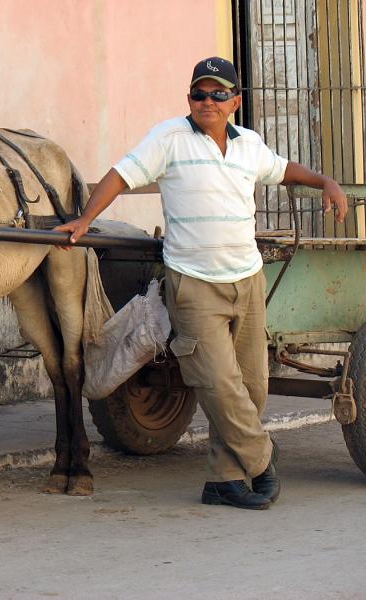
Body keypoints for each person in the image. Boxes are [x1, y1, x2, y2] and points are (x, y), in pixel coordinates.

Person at [56, 56, 348, 509]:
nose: (207, 101)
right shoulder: (169, 138)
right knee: (217, 383)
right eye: (199, 93)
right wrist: (85, 219)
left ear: (235, 101)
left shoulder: (249, 144)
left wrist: (326, 180)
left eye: (217, 94)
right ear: (189, 98)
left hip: (247, 280)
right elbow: (122, 174)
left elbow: (283, 169)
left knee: (251, 386)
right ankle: (262, 458)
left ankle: (223, 480)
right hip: (194, 283)